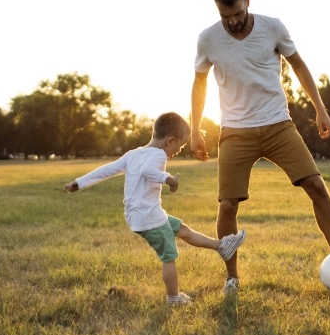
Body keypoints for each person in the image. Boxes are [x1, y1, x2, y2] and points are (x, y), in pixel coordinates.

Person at [190, 0, 330, 293]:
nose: (233, 22)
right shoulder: (208, 39)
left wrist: (320, 108)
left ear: (247, 0)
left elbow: (299, 66)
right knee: (227, 206)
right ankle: (232, 277)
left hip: (278, 124)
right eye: (226, 17)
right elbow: (199, 83)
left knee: (316, 186)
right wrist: (194, 129)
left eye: (237, 13)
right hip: (235, 131)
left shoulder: (273, 27)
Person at [64, 112, 247, 306]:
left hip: (140, 216)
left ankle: (222, 247)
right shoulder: (159, 154)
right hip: (149, 217)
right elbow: (148, 171)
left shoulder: (133, 154)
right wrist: (168, 179)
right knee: (169, 256)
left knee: (182, 229)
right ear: (170, 141)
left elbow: (107, 170)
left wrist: (79, 183)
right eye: (180, 145)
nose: (179, 150)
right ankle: (174, 298)